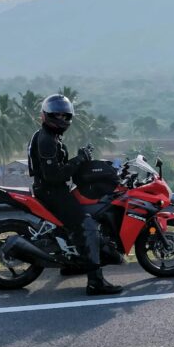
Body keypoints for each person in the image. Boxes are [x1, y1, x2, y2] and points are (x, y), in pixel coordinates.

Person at [28, 94, 122, 295]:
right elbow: (53, 175)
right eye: (57, 114)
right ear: (46, 115)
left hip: (52, 189)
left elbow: (58, 168)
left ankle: (73, 264)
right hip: (52, 192)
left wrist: (79, 159)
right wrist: (78, 160)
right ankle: (96, 282)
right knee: (87, 226)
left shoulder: (49, 136)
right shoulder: (46, 140)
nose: (61, 119)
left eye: (65, 115)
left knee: (71, 225)